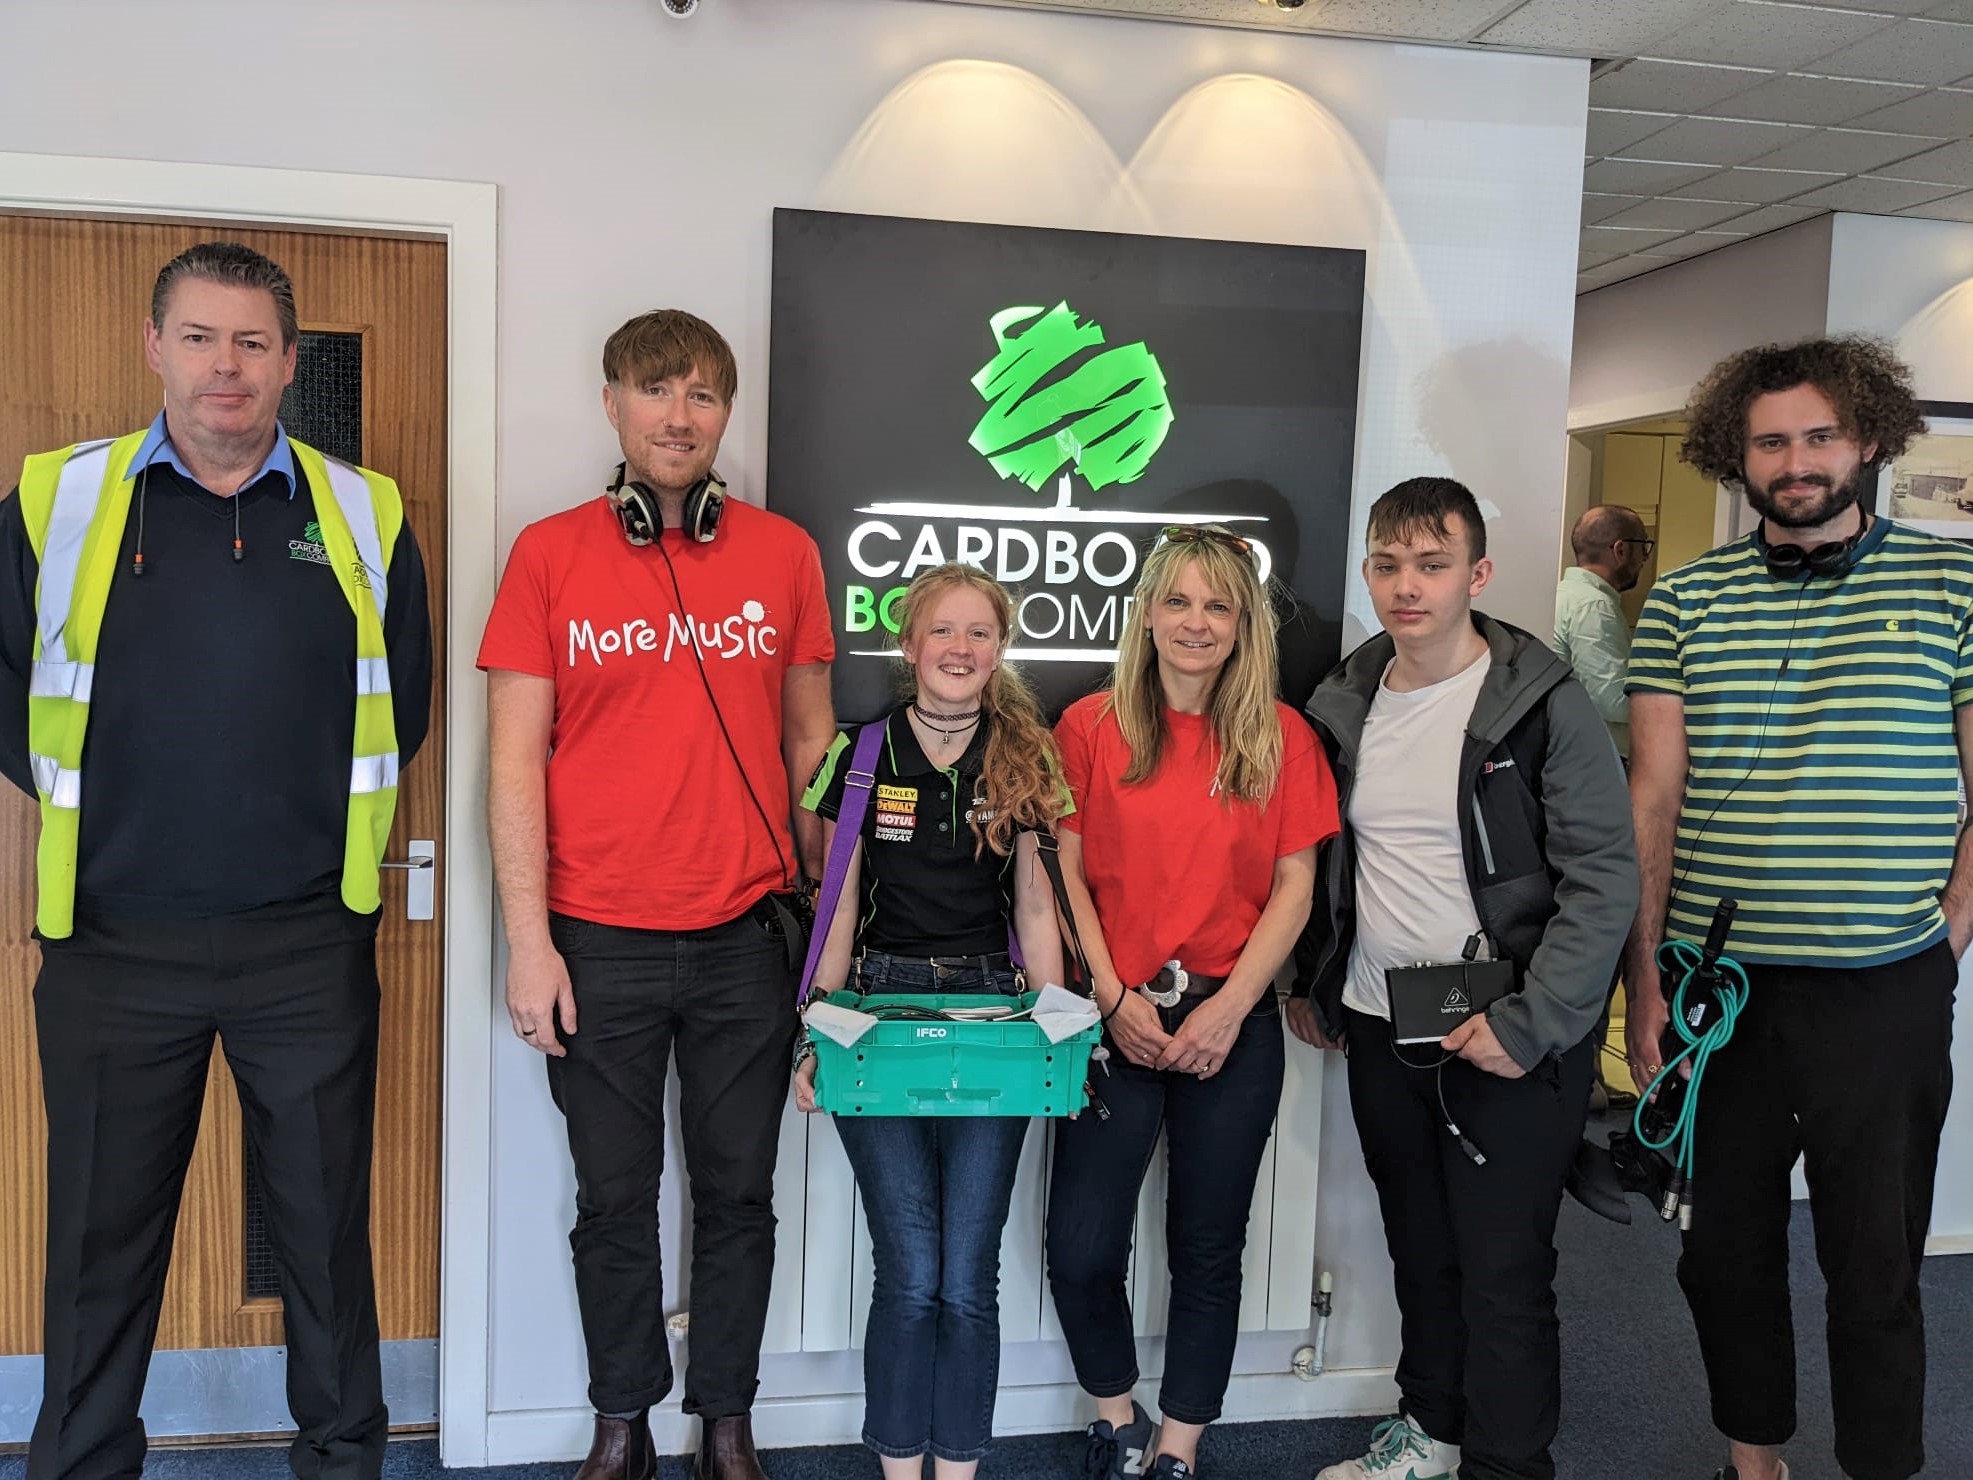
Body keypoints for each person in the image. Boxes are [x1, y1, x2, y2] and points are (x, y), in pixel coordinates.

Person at [2, 240, 433, 1480]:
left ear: (290, 361)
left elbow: (396, 703)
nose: (224, 367)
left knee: (321, 1237)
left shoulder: (363, 510)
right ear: (155, 346)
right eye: (199, 338)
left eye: (251, 342)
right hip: (111, 945)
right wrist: (115, 798)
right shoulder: (58, 501)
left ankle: (343, 1460)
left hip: (304, 942)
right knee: (98, 1244)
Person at [479, 310, 836, 1480]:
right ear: (611, 405)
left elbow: (809, 747)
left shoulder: (783, 553)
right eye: (655, 392)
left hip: (744, 941)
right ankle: (622, 1419)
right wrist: (528, 944)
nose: (678, 416)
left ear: (725, 415)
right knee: (613, 1201)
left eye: (701, 396)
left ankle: (726, 1421)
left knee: (741, 1196)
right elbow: (511, 760)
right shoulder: (547, 553)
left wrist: (827, 932)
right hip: (596, 941)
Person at [1625, 336, 1962, 1480]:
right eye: (1771, 439)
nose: (1796, 458)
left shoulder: (1951, 581)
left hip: (1884, 990)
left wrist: (1942, 937)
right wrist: (1639, 985)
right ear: (1737, 454)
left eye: (1819, 434)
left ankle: (1878, 1467)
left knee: (1874, 1264)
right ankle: (1751, 1458)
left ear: (1867, 438)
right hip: (1719, 992)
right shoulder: (1683, 597)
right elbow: (1651, 798)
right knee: (1720, 1252)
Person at [1292, 477, 1636, 1480]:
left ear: (1475, 574)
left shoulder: (1540, 705)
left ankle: (1505, 1465)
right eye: (1388, 564)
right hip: (1378, 1025)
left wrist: (1531, 1023)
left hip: (1509, 1033)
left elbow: (1603, 875)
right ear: (1366, 573)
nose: (1407, 585)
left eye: (1431, 564)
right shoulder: (1344, 698)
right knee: (1420, 1253)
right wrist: (1312, 986)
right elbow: (1323, 865)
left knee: (1503, 1273)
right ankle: (1429, 1436)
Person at [1044, 526, 1338, 1480]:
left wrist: (1228, 1008)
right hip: (1110, 1019)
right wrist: (1108, 991)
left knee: (1207, 1248)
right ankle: (1116, 1420)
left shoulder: (1283, 737)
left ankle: (1177, 1448)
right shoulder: (1088, 726)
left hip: (1232, 1021)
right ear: (1147, 613)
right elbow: (1068, 871)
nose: (1196, 622)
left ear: (1245, 622)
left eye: (1218, 605)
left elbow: (1296, 886)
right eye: (1178, 601)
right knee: (1082, 1246)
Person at [792, 562, 1070, 1480]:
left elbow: (1037, 910)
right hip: (879, 1016)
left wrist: (1057, 1024)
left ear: (999, 648)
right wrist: (814, 1029)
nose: (960, 648)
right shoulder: (861, 753)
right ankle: (897, 1466)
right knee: (910, 1275)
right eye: (941, 632)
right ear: (910, 646)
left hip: (995, 1014)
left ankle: (958, 1467)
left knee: (968, 1281)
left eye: (979, 633)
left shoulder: (1027, 756)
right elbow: (834, 904)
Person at [1552, 502, 1652, 756]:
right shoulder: (1593, 605)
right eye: (1643, 547)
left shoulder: (1564, 595)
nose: (1645, 559)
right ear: (1620, 550)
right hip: (1597, 757)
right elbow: (1613, 701)